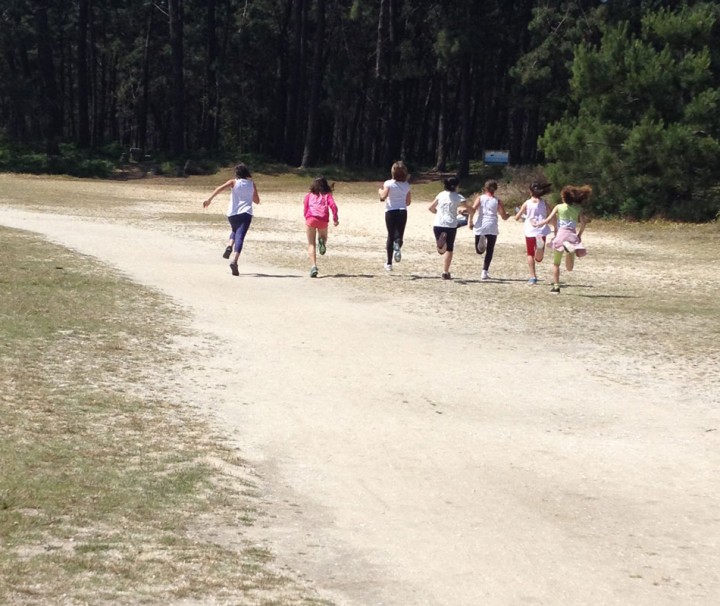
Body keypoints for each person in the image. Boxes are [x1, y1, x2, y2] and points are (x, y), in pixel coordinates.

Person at [203, 163, 260, 276]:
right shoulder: (251, 184)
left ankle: (229, 245)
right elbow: (257, 201)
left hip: (232, 214)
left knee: (235, 230)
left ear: (236, 174)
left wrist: (209, 199)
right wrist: (248, 196)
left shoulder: (233, 182)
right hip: (246, 213)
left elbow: (219, 188)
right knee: (240, 236)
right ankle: (234, 261)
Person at [534, 184, 591, 294]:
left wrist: (536, 224)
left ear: (563, 197)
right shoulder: (577, 209)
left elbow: (547, 220)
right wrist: (579, 235)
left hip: (560, 235)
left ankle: (556, 287)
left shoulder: (558, 207)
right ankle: (569, 252)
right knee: (569, 268)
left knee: (556, 264)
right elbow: (583, 223)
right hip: (572, 235)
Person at [428, 176, 470, 280]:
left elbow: (431, 208)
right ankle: (445, 272)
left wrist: (438, 213)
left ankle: (440, 243)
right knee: (449, 249)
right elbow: (470, 209)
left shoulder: (441, 195)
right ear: (456, 186)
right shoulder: (458, 197)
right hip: (450, 225)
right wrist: (467, 212)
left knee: (441, 250)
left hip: (438, 223)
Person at [468, 179, 510, 280]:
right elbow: (503, 216)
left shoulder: (480, 198)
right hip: (492, 225)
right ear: (495, 189)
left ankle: (481, 243)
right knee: (490, 250)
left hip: (481, 224)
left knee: (479, 251)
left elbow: (473, 210)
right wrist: (508, 215)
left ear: (485, 188)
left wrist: (470, 221)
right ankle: (484, 272)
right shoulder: (498, 201)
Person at [514, 181, 553, 285]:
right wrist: (556, 228)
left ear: (530, 191)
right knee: (539, 258)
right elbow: (552, 215)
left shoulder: (527, 203)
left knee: (530, 254)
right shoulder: (544, 203)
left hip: (530, 230)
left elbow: (517, 217)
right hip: (541, 229)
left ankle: (533, 277)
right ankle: (539, 250)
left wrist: (523, 216)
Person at [378, 161, 412, 271]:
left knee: (390, 235)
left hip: (391, 211)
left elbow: (383, 196)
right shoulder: (406, 185)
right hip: (402, 211)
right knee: (399, 235)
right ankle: (397, 244)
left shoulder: (388, 183)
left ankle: (389, 263)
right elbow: (408, 202)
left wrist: (380, 191)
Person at [303, 176, 339, 278]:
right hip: (322, 219)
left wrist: (306, 217)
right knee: (323, 237)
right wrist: (335, 219)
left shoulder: (309, 195)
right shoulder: (327, 195)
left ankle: (313, 266)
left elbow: (305, 207)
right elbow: (333, 206)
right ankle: (322, 242)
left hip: (311, 218)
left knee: (311, 244)